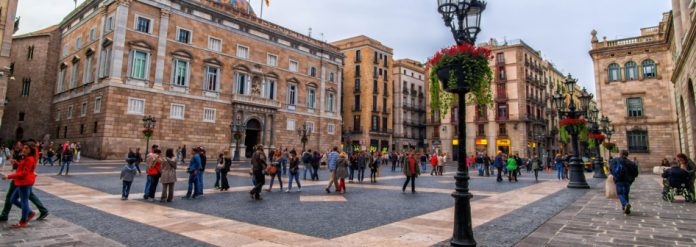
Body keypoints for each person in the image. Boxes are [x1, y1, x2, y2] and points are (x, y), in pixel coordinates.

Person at [0, 142, 49, 223]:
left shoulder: (29, 158)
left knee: (22, 200)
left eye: (26, 148)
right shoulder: (27, 157)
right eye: (23, 147)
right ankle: (37, 211)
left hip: (23, 181)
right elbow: (24, 168)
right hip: (22, 181)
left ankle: (23, 220)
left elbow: (24, 172)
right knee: (15, 198)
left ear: (30, 149)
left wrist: (9, 176)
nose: (23, 149)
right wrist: (17, 163)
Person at [610, 150, 639, 214]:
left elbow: (611, 169)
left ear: (620, 154)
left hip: (619, 179)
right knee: (625, 193)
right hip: (628, 181)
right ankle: (625, 208)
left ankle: (625, 204)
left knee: (620, 193)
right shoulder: (631, 163)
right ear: (627, 155)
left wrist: (615, 175)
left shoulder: (615, 160)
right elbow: (636, 173)